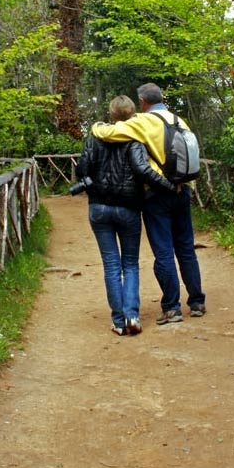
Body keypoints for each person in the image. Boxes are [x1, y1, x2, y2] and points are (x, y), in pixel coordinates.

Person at [91, 83, 206, 325]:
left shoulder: (144, 121)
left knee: (163, 250)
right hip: (183, 189)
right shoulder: (178, 120)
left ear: (142, 102)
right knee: (186, 247)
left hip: (157, 194)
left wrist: (96, 125)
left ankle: (172, 307)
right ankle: (196, 301)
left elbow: (108, 133)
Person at [76, 95, 176, 336]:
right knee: (130, 264)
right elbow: (143, 170)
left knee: (111, 265)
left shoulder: (95, 137)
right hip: (129, 208)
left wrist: (92, 185)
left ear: (111, 114)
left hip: (99, 208)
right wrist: (170, 187)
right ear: (132, 114)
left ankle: (118, 321)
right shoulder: (134, 139)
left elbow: (81, 169)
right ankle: (132, 315)